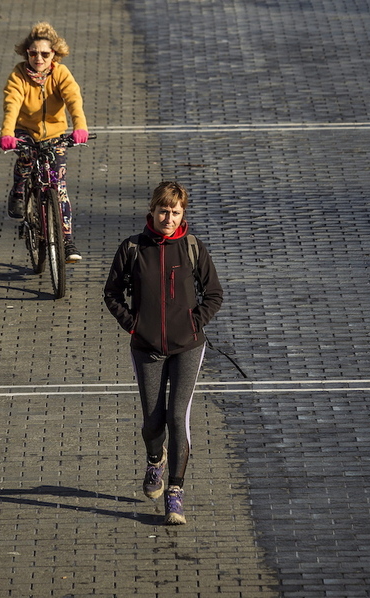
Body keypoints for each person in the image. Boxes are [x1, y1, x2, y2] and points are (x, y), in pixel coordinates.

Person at [104, 181, 223, 525]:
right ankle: (155, 460)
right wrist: (134, 325)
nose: (168, 218)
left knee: (177, 418)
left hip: (188, 347)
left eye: (175, 212)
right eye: (163, 211)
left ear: (182, 214)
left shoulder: (192, 248)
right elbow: (111, 294)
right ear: (152, 211)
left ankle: (175, 492)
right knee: (153, 422)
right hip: (146, 348)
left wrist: (192, 323)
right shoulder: (132, 248)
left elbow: (214, 294)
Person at [0, 21, 88, 263]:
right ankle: (18, 191)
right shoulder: (18, 75)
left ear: (54, 54)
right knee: (26, 159)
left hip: (55, 135)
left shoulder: (61, 73)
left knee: (59, 187)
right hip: (25, 131)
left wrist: (80, 127)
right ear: (26, 52)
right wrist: (8, 133)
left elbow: (73, 100)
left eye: (45, 53)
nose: (38, 58)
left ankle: (66, 241)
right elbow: (12, 104)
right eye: (33, 53)